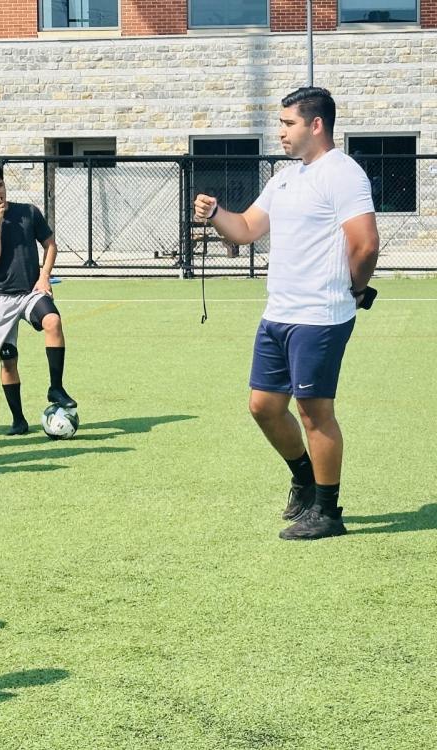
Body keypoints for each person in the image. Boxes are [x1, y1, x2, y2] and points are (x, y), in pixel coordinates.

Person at [193, 87, 379, 541]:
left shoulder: (344, 174)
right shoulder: (284, 179)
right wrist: (217, 212)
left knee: (315, 414)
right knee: (263, 407)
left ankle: (328, 512)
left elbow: (366, 244)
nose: (280, 132)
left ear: (316, 125)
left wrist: (353, 289)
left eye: (288, 123)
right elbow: (247, 228)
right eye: (281, 123)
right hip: (278, 313)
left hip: (320, 315)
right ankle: (304, 475)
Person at [0, 162, 77, 436]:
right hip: (0, 299)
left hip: (30, 291)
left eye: (0, 185)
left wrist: (44, 276)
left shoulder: (28, 212)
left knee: (53, 321)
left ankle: (56, 388)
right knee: (8, 361)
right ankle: (18, 420)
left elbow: (50, 244)